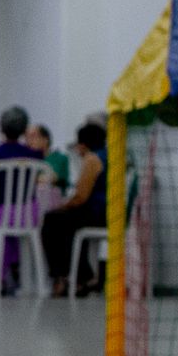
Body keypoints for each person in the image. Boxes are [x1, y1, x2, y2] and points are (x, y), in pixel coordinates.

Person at [41, 122, 108, 295]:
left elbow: (81, 197)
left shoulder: (92, 159)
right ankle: (81, 274)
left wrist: (63, 205)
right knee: (69, 225)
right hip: (106, 212)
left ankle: (61, 275)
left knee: (52, 220)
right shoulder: (108, 155)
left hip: (97, 213)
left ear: (82, 144)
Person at [27, 122, 69, 188]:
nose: (28, 141)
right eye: (27, 137)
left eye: (33, 136)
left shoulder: (60, 158)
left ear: (45, 139)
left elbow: (53, 179)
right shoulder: (27, 159)